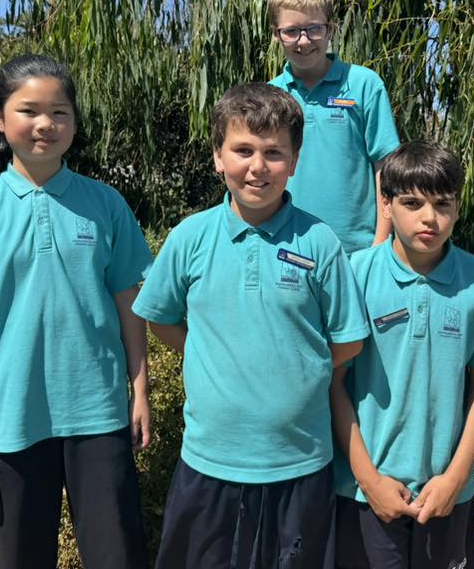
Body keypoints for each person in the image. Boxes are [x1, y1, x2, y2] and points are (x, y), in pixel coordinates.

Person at [0, 55, 152, 569]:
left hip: (98, 414)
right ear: (0, 118)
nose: (46, 124)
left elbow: (128, 303)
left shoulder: (105, 204)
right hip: (8, 420)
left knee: (119, 555)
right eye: (29, 110)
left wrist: (140, 392)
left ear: (74, 123)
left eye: (60, 112)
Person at [133, 82, 370, 569]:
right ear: (218, 157)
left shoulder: (320, 241)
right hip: (210, 463)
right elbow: (160, 319)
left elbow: (346, 342)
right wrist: (211, 353)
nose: (258, 166)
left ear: (295, 161)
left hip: (299, 464)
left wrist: (299, 366)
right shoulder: (190, 237)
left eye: (273, 153)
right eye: (243, 150)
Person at [333, 141, 474, 569]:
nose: (429, 217)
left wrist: (456, 477)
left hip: (446, 493)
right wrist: (369, 479)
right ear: (385, 204)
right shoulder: (354, 275)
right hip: (365, 493)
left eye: (443, 204)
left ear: (458, 209)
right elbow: (334, 382)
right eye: (412, 203)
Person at [268, 0, 400, 253]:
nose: (304, 41)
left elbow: (387, 167)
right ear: (276, 34)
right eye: (291, 31)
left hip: (357, 252)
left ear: (331, 29)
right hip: (287, 246)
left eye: (314, 29)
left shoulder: (364, 85)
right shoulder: (269, 95)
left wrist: (379, 246)